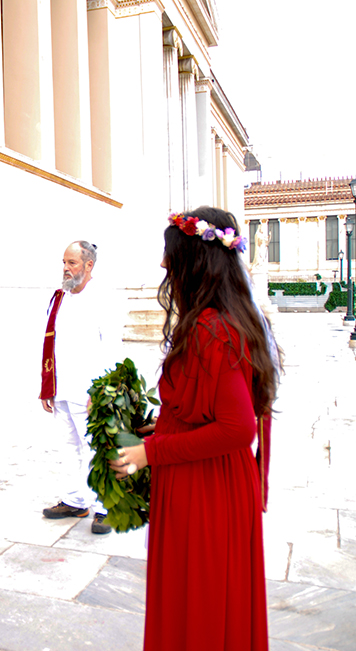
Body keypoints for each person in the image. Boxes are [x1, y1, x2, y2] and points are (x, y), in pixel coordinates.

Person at [110, 207, 281, 650]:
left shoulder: (213, 330)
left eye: (171, 256)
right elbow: (206, 410)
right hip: (207, 481)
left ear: (195, 262)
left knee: (199, 609)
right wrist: (157, 429)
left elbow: (236, 428)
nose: (164, 265)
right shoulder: (222, 320)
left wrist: (152, 453)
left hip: (207, 489)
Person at [39, 241, 123, 534]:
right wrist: (47, 385)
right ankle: (75, 500)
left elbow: (112, 349)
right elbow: (49, 342)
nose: (65, 268)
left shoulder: (103, 298)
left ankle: (106, 507)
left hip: (89, 390)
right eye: (64, 262)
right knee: (68, 447)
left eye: (72, 263)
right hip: (62, 387)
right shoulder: (59, 297)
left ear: (89, 265)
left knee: (97, 448)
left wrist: (102, 391)